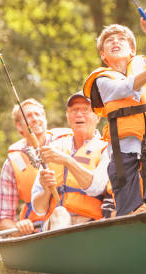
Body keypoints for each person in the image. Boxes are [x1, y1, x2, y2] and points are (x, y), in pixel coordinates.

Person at [83, 9, 146, 216]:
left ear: (132, 50)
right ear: (103, 54)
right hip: (122, 150)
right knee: (129, 209)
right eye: (109, 41)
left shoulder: (141, 65)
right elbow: (126, 88)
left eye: (121, 40)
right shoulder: (101, 80)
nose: (115, 42)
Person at [31, 91, 113, 228]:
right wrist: (46, 190)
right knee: (60, 213)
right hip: (56, 222)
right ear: (68, 116)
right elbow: (38, 208)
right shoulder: (53, 148)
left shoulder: (107, 149)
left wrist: (67, 161)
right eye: (74, 110)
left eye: (86, 110)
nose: (79, 114)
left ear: (97, 116)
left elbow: (96, 188)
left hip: (92, 222)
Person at [0, 98, 72, 235]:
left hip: (73, 219)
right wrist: (18, 228)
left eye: (38, 114)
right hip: (37, 230)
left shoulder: (67, 143)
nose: (35, 119)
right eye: (28, 116)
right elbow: (4, 219)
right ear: (19, 126)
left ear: (45, 119)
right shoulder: (12, 163)